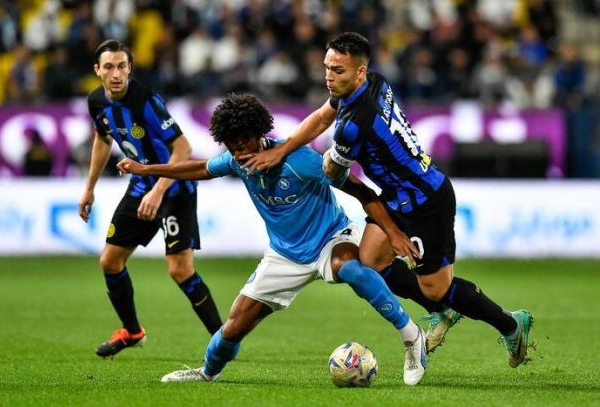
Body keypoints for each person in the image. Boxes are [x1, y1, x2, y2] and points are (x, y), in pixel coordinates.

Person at [242, 32, 533, 368]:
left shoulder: (353, 125)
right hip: (397, 195)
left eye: (338, 70)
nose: (329, 76)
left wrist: (326, 162)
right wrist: (281, 149)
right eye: (327, 67)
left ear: (360, 71)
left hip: (425, 201)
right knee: (370, 262)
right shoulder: (374, 83)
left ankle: (510, 324)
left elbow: (335, 174)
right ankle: (441, 311)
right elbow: (322, 117)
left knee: (437, 288)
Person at [117, 93, 428, 386]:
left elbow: (363, 192)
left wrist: (393, 233)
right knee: (234, 326)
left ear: (259, 133)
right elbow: (201, 168)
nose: (240, 153)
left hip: (330, 237)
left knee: (349, 267)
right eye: (232, 147)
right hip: (284, 255)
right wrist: (146, 169)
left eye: (244, 144)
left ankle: (412, 336)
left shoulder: (301, 160)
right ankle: (207, 372)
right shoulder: (236, 161)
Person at [78, 39, 222, 358]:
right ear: (97, 70)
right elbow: (103, 139)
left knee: (179, 269)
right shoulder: (96, 102)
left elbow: (183, 148)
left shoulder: (145, 101)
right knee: (110, 261)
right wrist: (89, 187)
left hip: (174, 188)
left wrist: (159, 191)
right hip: (141, 186)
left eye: (122, 66)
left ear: (130, 68)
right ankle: (132, 332)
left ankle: (223, 338)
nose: (116, 74)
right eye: (109, 67)